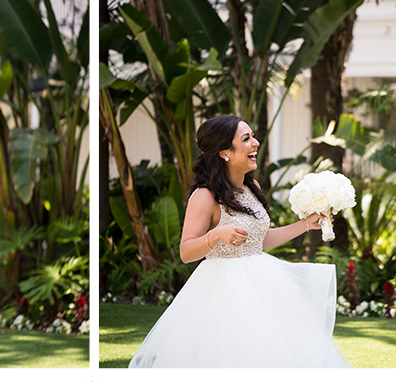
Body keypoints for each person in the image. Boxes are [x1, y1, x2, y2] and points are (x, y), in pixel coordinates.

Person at [129, 115, 349, 368]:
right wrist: (214, 236)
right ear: (224, 152)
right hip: (223, 293)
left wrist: (304, 225)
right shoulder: (204, 196)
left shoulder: (250, 186)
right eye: (246, 138)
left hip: (262, 284)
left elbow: (257, 240)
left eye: (253, 136)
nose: (256, 143)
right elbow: (186, 252)